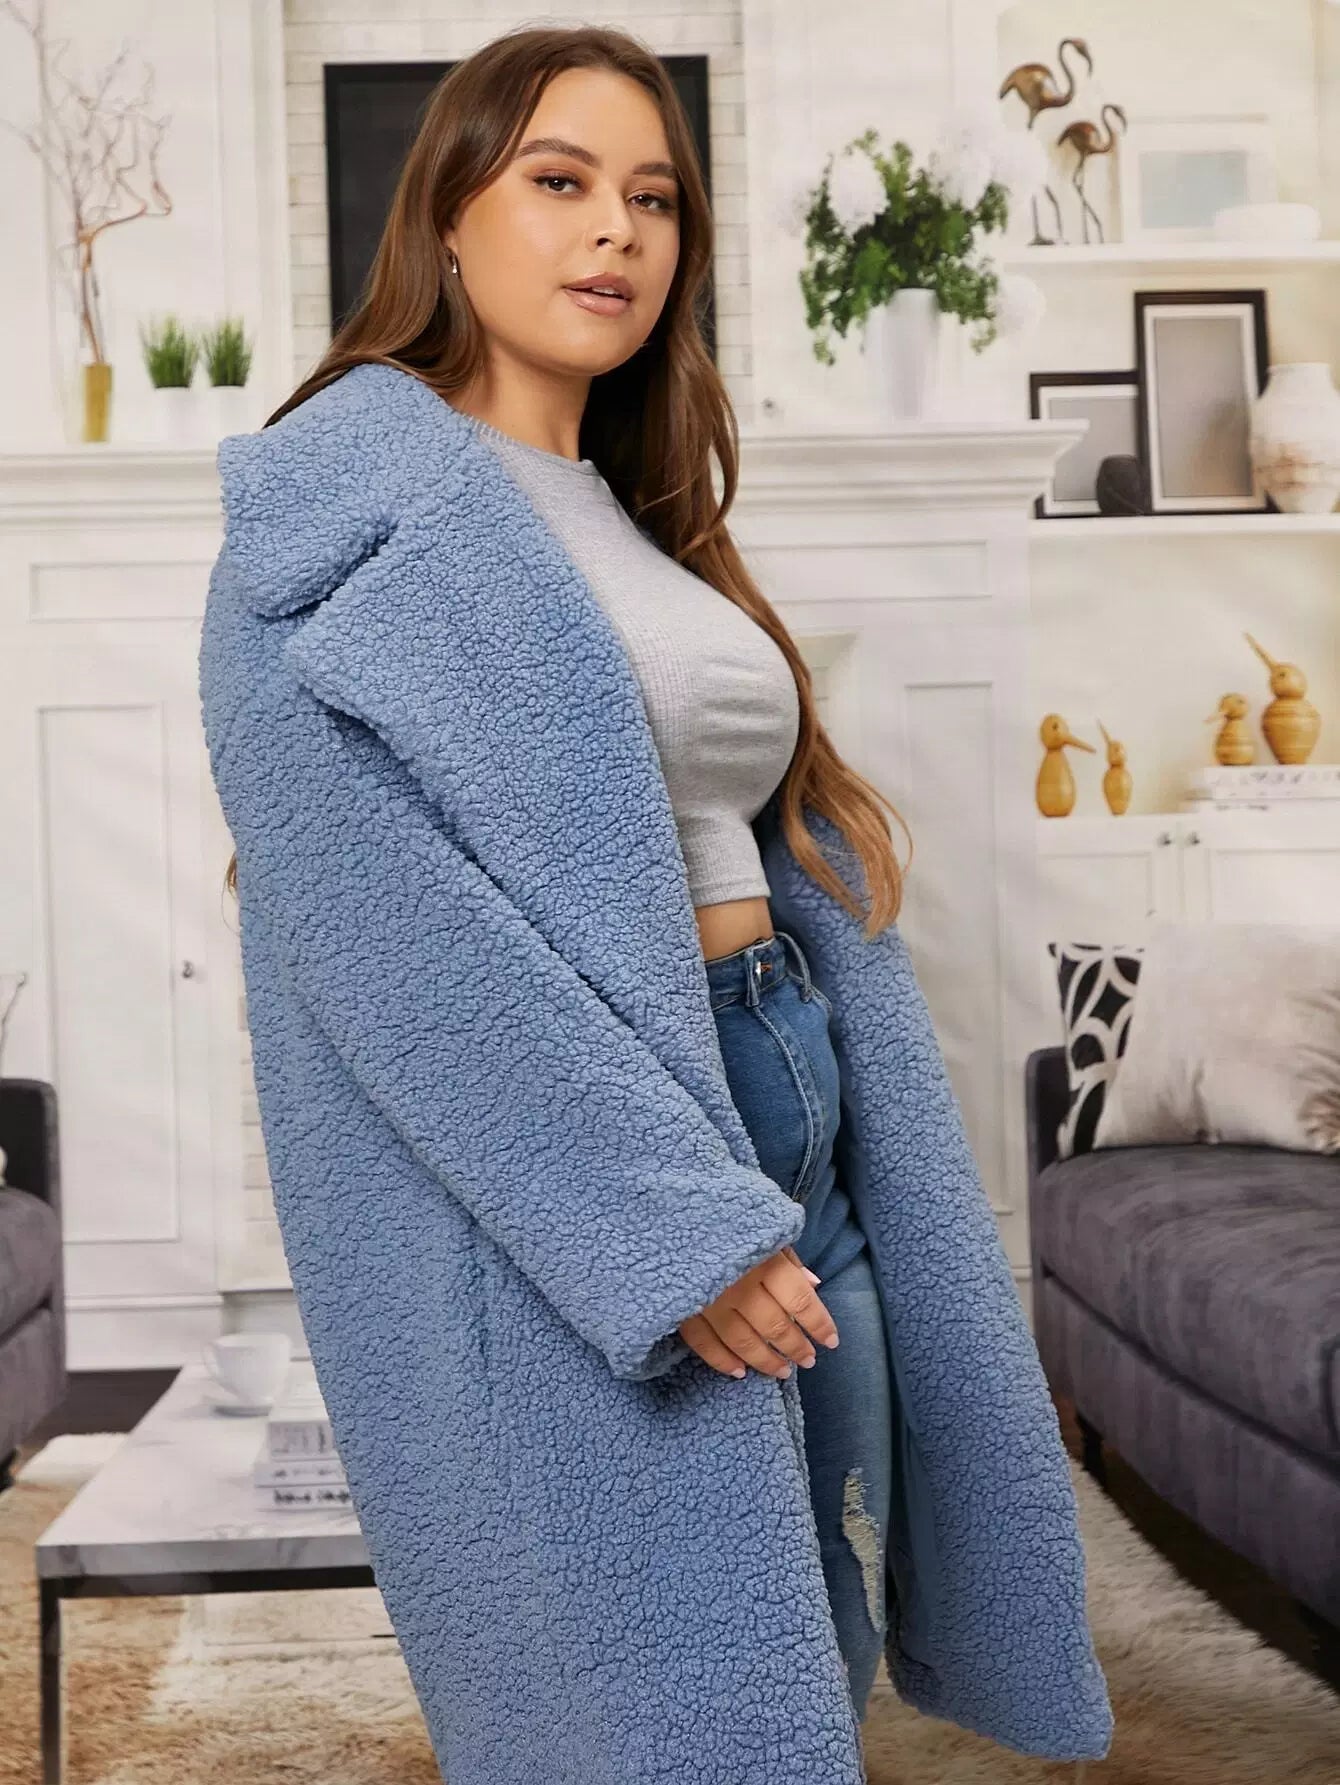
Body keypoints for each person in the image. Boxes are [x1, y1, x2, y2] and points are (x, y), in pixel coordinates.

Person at [199, 23, 1112, 1785]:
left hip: (797, 1097)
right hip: (610, 1160)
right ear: (446, 214)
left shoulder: (643, 512)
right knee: (657, 1695)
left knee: (817, 1643)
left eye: (653, 198)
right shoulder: (324, 524)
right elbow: (386, 939)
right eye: (559, 181)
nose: (615, 229)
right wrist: (664, 1230)